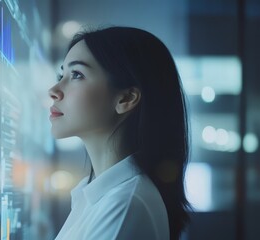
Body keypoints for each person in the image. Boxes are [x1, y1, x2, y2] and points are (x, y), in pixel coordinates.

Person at [48, 26, 191, 240]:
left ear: (126, 99)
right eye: (62, 74)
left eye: (77, 74)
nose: (54, 90)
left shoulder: (124, 205)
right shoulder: (99, 196)